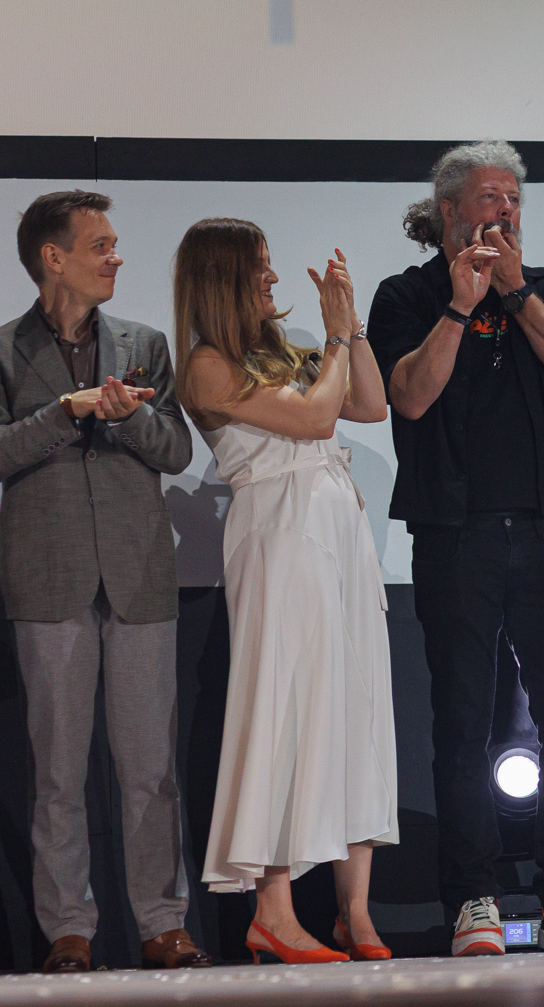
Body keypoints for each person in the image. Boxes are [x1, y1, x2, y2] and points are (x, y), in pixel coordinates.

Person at [369, 141, 544, 954]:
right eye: (490, 197)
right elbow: (409, 397)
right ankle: (475, 896)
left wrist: (515, 293)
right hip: (456, 534)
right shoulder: (405, 295)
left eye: (514, 199)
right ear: (449, 209)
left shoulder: (538, 285)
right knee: (463, 722)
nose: (506, 210)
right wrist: (459, 305)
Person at [0, 191, 211, 972]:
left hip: (139, 575)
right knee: (58, 771)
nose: (116, 257)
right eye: (100, 245)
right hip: (49, 577)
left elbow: (177, 450)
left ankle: (162, 921)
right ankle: (68, 926)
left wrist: (126, 415)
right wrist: (64, 413)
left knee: (150, 768)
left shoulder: (144, 342)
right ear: (54, 257)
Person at [175, 220, 398, 963]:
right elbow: (315, 415)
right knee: (285, 705)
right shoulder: (207, 364)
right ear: (224, 278)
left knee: (352, 705)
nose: (273, 279)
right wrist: (332, 339)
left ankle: (354, 911)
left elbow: (370, 403)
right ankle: (272, 910)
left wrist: (351, 327)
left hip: (338, 536)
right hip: (280, 535)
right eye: (260, 267)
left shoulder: (283, 354)